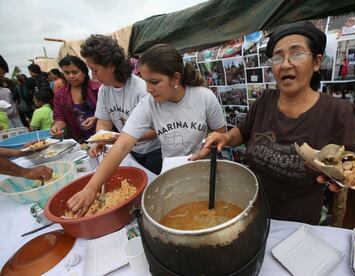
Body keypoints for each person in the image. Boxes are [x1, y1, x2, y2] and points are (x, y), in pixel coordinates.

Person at [198, 21, 355, 225]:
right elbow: (241, 132)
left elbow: (353, 162)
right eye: (277, 57)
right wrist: (224, 137)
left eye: (297, 54)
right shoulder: (265, 100)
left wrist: (342, 177)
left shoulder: (339, 112)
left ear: (317, 62)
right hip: (254, 210)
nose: (285, 64)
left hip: (299, 222)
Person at [67, 43, 226, 216]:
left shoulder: (204, 98)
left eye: (155, 82)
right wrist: (91, 187)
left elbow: (221, 134)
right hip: (172, 175)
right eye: (145, 81)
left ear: (176, 78)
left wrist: (208, 145)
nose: (148, 89)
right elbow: (121, 146)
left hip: (205, 173)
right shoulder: (148, 104)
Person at [80, 34, 162, 174]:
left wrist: (124, 137)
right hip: (128, 149)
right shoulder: (104, 90)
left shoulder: (141, 89)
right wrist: (100, 139)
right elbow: (104, 122)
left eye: (95, 70)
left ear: (111, 65)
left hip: (154, 151)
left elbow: (157, 129)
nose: (93, 76)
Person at [50, 56, 100, 142]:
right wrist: (56, 127)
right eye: (66, 73)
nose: (71, 76)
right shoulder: (61, 95)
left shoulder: (97, 89)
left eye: (75, 72)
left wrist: (95, 118)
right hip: (81, 139)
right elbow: (60, 117)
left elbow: (108, 112)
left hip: (103, 135)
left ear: (84, 72)